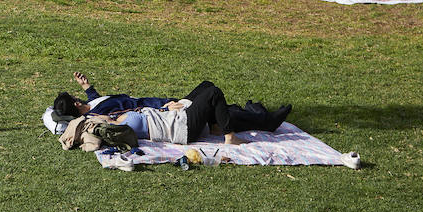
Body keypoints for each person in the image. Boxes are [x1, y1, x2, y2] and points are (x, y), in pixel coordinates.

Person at [44, 72, 289, 137]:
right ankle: (264, 120)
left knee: (207, 90)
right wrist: (165, 108)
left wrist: (88, 87)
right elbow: (130, 113)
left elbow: (96, 101)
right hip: (164, 110)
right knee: (210, 93)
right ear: (76, 104)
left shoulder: (93, 104)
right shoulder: (100, 113)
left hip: (162, 106)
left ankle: (243, 114)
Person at [58, 81, 255, 148]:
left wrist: (88, 89)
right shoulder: (114, 126)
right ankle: (229, 137)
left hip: (172, 117)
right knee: (213, 93)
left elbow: (99, 105)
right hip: (182, 128)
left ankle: (215, 126)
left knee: (207, 86)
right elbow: (94, 119)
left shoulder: (115, 117)